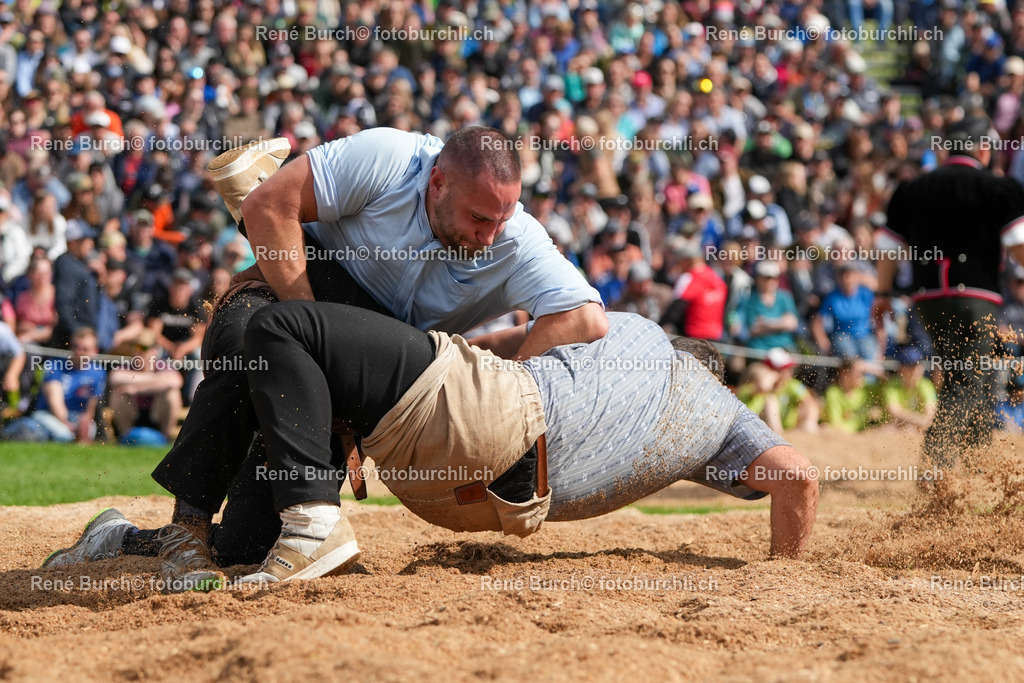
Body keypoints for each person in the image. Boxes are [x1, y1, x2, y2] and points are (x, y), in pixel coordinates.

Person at [46, 310, 818, 588]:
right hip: (485, 491)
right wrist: (784, 574)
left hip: (477, 423)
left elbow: (514, 346)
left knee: (276, 330)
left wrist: (461, 352)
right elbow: (799, 481)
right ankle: (139, 535)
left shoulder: (637, 337)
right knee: (249, 537)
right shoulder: (716, 423)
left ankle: (191, 519)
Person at [140, 128, 606, 568]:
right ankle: (188, 525)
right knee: (251, 342)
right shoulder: (389, 157)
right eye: (479, 218)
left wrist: (498, 384)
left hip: (361, 366)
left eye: (501, 219)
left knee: (248, 547)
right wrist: (307, 330)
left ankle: (124, 539)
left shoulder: (514, 239)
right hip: (287, 291)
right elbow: (268, 205)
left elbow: (584, 317)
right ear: (438, 183)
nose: (488, 236)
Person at [878, 115, 1024, 468]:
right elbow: (1019, 244)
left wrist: (882, 294)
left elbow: (887, 251)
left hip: (928, 302)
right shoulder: (998, 187)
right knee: (968, 380)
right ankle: (935, 469)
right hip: (976, 299)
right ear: (984, 150)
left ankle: (976, 465)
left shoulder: (911, 189)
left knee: (980, 375)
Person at [24, 327, 106, 443]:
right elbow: (55, 402)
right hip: (48, 414)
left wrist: (85, 422)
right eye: (75, 347)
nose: (79, 352)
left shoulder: (98, 372)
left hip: (77, 416)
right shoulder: (55, 366)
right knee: (64, 435)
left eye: (85, 349)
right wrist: (68, 425)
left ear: (94, 351)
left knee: (89, 431)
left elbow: (92, 405)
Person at [881, 345, 937, 431]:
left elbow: (930, 414)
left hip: (916, 428)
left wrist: (912, 421)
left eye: (918, 365)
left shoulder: (926, 385)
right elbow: (894, 412)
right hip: (896, 428)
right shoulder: (892, 385)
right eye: (911, 366)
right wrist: (918, 420)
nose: (916, 369)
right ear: (901, 369)